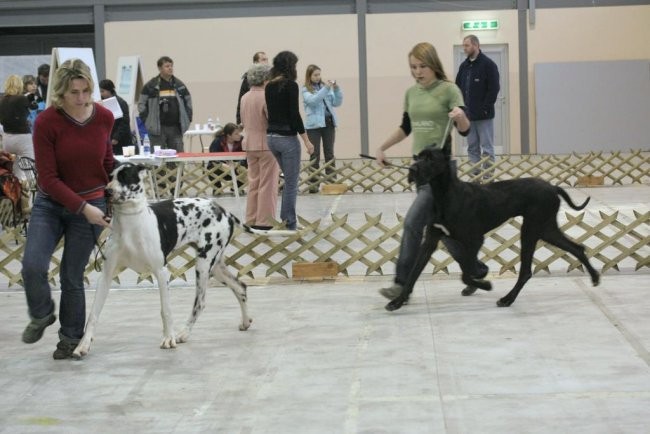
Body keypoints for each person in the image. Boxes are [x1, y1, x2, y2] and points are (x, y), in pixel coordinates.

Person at [375, 42, 488, 299]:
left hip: (441, 172)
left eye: (422, 66)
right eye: (413, 67)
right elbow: (406, 127)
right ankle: (475, 268)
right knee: (443, 229)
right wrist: (383, 147)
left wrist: (460, 116)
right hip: (420, 170)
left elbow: (465, 129)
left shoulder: (449, 90)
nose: (417, 71)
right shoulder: (411, 93)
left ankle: (401, 283)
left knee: (414, 223)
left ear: (433, 64)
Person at [20, 58, 114, 360]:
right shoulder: (47, 121)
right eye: (74, 92)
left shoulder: (103, 117)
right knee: (32, 266)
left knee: (71, 276)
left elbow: (107, 161)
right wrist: (83, 207)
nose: (82, 98)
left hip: (93, 202)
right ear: (60, 93)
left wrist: (112, 193)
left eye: (86, 91)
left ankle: (70, 339)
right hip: (51, 204)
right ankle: (42, 312)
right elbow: (48, 177)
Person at [265, 51, 314, 231]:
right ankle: (289, 222)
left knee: (288, 179)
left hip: (271, 138)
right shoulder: (291, 86)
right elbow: (295, 115)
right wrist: (307, 141)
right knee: (292, 183)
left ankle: (287, 218)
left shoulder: (269, 86)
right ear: (289, 66)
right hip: (287, 139)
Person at [240, 63, 280, 229]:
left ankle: (250, 219)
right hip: (266, 144)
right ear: (265, 79)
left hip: (249, 143)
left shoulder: (245, 97)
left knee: (253, 182)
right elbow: (272, 120)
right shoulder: (267, 96)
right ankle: (264, 221)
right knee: (268, 184)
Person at [455, 34, 500, 179]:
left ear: (476, 45)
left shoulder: (489, 65)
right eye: (464, 45)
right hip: (468, 116)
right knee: (472, 148)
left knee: (487, 148)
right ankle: (475, 177)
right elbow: (457, 88)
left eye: (467, 45)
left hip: (484, 116)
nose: (465, 48)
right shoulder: (464, 66)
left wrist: (485, 108)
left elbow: (494, 89)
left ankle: (488, 179)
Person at [301, 64, 343, 193]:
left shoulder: (326, 87)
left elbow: (337, 102)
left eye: (319, 74)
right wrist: (326, 88)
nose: (318, 77)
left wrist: (336, 89)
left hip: (329, 123)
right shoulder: (305, 89)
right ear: (309, 76)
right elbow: (314, 101)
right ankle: (313, 184)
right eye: (315, 75)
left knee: (329, 153)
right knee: (315, 155)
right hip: (314, 126)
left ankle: (331, 181)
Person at [138, 56, 192, 152]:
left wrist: (187, 119)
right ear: (160, 68)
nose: (170, 68)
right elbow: (141, 104)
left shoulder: (179, 85)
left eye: (171, 66)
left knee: (177, 158)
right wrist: (148, 122)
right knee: (158, 159)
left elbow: (188, 102)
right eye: (167, 66)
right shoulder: (151, 86)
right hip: (157, 129)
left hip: (176, 128)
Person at [0, 75, 34, 180]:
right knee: (30, 170)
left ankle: (15, 192)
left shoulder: (1, 101)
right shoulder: (22, 99)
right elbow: (33, 107)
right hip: (23, 138)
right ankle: (29, 194)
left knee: (14, 171)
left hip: (7, 139)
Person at [207, 122, 245, 194]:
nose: (239, 135)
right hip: (221, 167)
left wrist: (238, 164)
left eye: (239, 133)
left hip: (236, 167)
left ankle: (237, 187)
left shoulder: (242, 141)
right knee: (212, 168)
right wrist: (223, 164)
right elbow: (213, 157)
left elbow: (246, 156)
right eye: (236, 134)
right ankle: (217, 188)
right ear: (229, 135)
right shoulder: (217, 141)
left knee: (245, 168)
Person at [99, 79, 133, 155]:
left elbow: (124, 122)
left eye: (103, 91)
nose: (101, 94)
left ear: (109, 90)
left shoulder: (121, 102)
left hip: (121, 139)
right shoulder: (102, 103)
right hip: (108, 137)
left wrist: (116, 137)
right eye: (100, 91)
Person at [236, 51, 268, 125]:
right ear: (256, 62)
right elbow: (241, 99)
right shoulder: (249, 78)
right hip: (253, 115)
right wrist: (239, 121)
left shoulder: (270, 77)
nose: (266, 62)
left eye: (267, 59)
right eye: (263, 59)